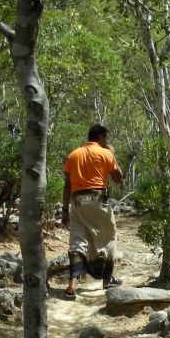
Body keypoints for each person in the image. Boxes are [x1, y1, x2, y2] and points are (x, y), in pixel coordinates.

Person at [60, 123, 124, 300]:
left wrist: (65, 210)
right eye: (106, 138)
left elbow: (67, 185)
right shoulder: (105, 153)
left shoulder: (74, 155)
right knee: (109, 237)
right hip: (98, 200)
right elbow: (118, 179)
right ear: (101, 137)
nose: (107, 142)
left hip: (77, 201)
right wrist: (112, 155)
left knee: (77, 241)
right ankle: (107, 279)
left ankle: (72, 284)